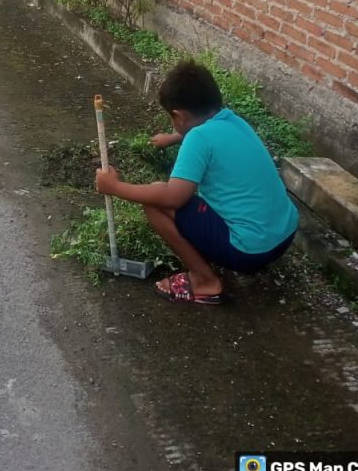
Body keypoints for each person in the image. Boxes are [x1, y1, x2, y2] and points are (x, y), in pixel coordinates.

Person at [95, 60, 299, 305]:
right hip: (284, 235)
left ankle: (204, 281)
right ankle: (217, 253)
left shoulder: (198, 139)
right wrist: (173, 137)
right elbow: (207, 134)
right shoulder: (234, 121)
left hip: (249, 251)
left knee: (156, 199)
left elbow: (173, 197)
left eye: (172, 118)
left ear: (179, 116)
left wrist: (114, 187)